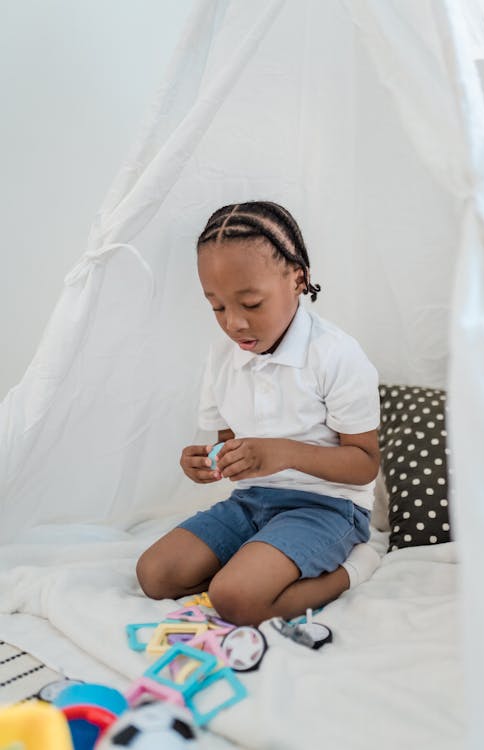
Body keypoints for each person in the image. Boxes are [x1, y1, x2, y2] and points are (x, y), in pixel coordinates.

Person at [136, 201, 381, 626]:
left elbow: (365, 466)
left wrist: (284, 452)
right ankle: (258, 561)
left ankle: (354, 568)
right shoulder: (221, 359)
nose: (233, 324)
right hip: (253, 501)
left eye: (251, 303)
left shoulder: (335, 355)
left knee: (235, 600)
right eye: (217, 307)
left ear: (298, 280)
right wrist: (210, 462)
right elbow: (232, 446)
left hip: (327, 508)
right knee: (155, 575)